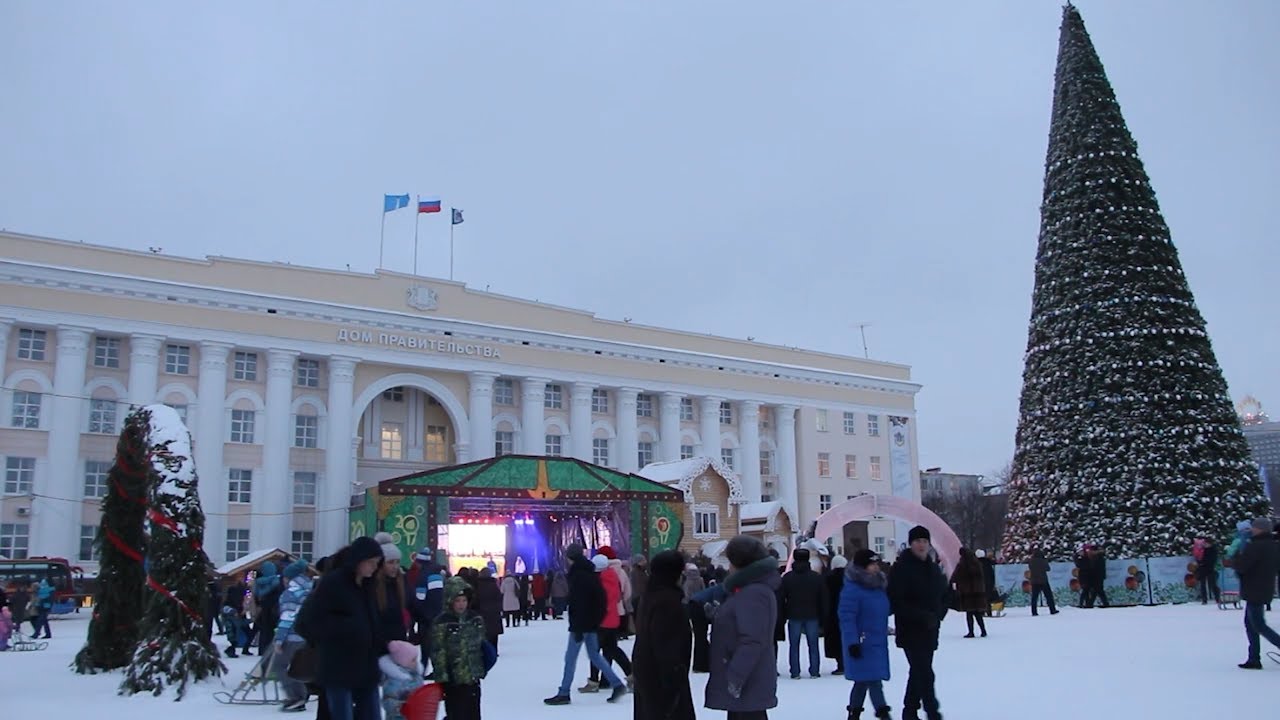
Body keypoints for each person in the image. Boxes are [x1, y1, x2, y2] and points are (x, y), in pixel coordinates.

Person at [295, 536, 388, 720]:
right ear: (358, 560)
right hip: (338, 667)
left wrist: (379, 643)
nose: (373, 567)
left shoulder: (368, 586)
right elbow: (310, 622)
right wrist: (348, 629)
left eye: (376, 563)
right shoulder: (334, 583)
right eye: (370, 562)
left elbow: (371, 622)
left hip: (366, 667)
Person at [704, 535, 780, 720]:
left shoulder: (754, 592)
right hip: (746, 683)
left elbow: (753, 640)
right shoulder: (747, 589)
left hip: (747, 681)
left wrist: (735, 676)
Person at [543, 543, 626, 705]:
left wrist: (579, 625)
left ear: (570, 557)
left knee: (570, 658)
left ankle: (564, 692)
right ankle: (617, 684)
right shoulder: (591, 573)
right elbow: (600, 600)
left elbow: (578, 603)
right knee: (594, 655)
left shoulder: (578, 576)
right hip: (591, 623)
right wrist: (596, 620)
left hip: (581, 625)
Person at [887, 525, 947, 720]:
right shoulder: (902, 568)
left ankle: (909, 710)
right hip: (911, 630)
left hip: (930, 629)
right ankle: (932, 712)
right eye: (917, 541)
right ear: (911, 544)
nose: (921, 545)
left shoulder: (932, 567)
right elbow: (897, 601)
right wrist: (922, 616)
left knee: (918, 672)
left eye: (924, 541)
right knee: (925, 673)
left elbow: (942, 594)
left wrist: (939, 613)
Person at [632, 550, 695, 720]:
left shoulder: (649, 597)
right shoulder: (668, 602)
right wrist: (673, 686)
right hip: (662, 683)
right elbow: (667, 648)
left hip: (648, 676)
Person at [840, 549, 892, 720]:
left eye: (877, 563)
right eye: (872, 564)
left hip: (876, 641)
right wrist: (852, 642)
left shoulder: (877, 586)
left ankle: (854, 713)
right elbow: (847, 618)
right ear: (862, 567)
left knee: (863, 680)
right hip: (862, 642)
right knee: (873, 679)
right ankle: (883, 713)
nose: (876, 567)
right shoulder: (853, 589)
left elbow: (884, 610)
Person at [432, 577, 489, 720]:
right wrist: (442, 680)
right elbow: (438, 651)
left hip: (472, 678)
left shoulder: (475, 619)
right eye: (457, 601)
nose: (461, 604)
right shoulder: (442, 622)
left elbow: (482, 645)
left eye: (464, 600)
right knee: (456, 714)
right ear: (450, 601)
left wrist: (482, 667)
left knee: (473, 713)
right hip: (453, 681)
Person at [584, 553, 633, 693]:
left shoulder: (598, 581)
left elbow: (594, 601)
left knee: (595, 652)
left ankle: (593, 682)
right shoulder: (613, 578)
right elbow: (618, 597)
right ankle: (631, 675)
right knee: (613, 650)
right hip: (613, 619)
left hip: (600, 620)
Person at [1235, 518, 1280, 669]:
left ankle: (1255, 657)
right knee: (1251, 624)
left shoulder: (1255, 546)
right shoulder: (1274, 546)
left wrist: (1236, 555)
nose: (1251, 529)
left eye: (1254, 527)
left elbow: (1242, 566)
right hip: (1264, 588)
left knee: (1259, 625)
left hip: (1254, 589)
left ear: (1260, 529)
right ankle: (1254, 658)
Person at [272, 559, 315, 712]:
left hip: (291, 637)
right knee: (298, 667)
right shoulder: (309, 590)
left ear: (288, 578)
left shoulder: (290, 594)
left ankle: (296, 697)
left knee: (281, 666)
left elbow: (287, 618)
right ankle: (300, 696)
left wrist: (279, 640)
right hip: (306, 637)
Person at [780, 547, 827, 679]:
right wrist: (823, 615)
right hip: (813, 614)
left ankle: (795, 671)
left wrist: (783, 615)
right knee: (813, 644)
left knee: (794, 645)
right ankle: (814, 671)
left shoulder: (787, 578)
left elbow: (782, 598)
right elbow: (823, 598)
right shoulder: (816, 578)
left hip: (793, 614)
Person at [409, 548, 446, 675]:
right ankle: (437, 670)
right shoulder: (437, 574)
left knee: (426, 646)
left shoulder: (423, 575)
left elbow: (420, 597)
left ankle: (423, 669)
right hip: (438, 614)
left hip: (426, 616)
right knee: (436, 646)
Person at [374, 534, 408, 643]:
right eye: (390, 562)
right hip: (379, 644)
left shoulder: (401, 583)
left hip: (398, 642)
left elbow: (413, 605)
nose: (395, 566)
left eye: (397, 562)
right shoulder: (373, 586)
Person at [379, 640, 424, 720]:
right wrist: (401, 707)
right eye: (413, 660)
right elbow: (388, 701)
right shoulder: (393, 682)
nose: (416, 662)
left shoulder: (416, 676)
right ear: (403, 662)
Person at [950, 548, 988, 638]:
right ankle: (983, 631)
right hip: (978, 592)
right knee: (978, 613)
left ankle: (971, 632)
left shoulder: (962, 564)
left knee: (969, 613)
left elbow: (955, 576)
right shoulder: (976, 563)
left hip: (967, 592)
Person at [824, 555, 849, 676]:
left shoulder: (828, 578)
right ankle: (848, 663)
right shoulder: (850, 579)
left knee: (836, 640)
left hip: (833, 613)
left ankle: (840, 664)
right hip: (848, 612)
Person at [254, 561, 284, 653]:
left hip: (263, 609)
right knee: (273, 630)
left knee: (264, 630)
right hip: (274, 609)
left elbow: (256, 596)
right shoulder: (276, 582)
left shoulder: (258, 582)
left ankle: (262, 649)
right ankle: (269, 649)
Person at [474, 569, 504, 651]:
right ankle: (494, 649)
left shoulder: (477, 585)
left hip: (482, 612)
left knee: (484, 633)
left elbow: (476, 600)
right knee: (494, 633)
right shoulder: (494, 585)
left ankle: (485, 650)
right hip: (493, 613)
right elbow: (499, 598)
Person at [1028, 550, 1058, 616]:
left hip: (1034, 581)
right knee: (1049, 596)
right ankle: (1052, 610)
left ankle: (1034, 612)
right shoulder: (1043, 561)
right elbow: (1048, 569)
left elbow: (1030, 568)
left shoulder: (1031, 561)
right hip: (1043, 580)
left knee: (1034, 597)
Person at [1197, 538, 1221, 605]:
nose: (1205, 545)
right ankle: (1204, 599)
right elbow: (1200, 557)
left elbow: (1212, 560)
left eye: (1206, 543)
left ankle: (1217, 598)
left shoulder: (1213, 550)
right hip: (1203, 569)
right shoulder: (1203, 550)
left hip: (1210, 569)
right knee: (1203, 585)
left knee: (1213, 584)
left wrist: (1204, 562)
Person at [976, 550, 997, 617]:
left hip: (979, 584)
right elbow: (992, 574)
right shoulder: (988, 563)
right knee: (987, 599)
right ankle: (989, 612)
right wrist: (992, 583)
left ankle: (981, 612)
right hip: (988, 584)